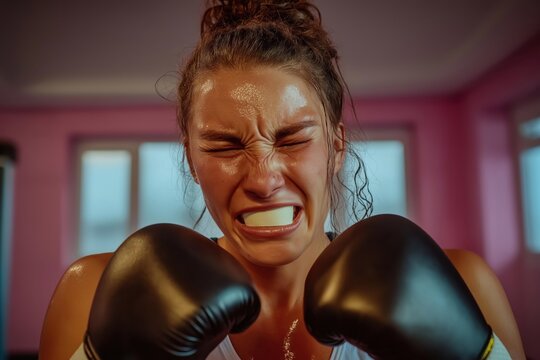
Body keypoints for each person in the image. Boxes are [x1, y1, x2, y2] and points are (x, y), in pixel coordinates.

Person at [39, 1, 526, 359]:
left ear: (336, 147)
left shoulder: (466, 286)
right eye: (226, 146)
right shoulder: (92, 293)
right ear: (190, 158)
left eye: (293, 138)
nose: (264, 178)